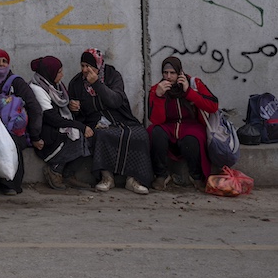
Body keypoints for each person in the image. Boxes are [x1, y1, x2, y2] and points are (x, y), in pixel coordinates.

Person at [68, 48, 152, 194]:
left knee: (139, 134)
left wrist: (97, 85)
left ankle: (133, 179)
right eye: (83, 66)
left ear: (98, 64)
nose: (86, 70)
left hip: (120, 117)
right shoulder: (76, 83)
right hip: (95, 120)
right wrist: (74, 107)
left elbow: (115, 101)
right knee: (101, 135)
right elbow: (79, 113)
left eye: (89, 66)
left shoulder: (112, 76)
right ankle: (107, 178)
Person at [147, 55, 219, 190]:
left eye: (172, 73)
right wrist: (158, 97)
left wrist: (189, 92)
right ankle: (161, 175)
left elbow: (213, 106)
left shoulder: (193, 83)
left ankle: (196, 176)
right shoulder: (157, 88)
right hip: (168, 126)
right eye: (165, 73)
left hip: (191, 126)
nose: (168, 76)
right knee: (154, 131)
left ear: (180, 72)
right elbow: (157, 120)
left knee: (192, 139)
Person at [28, 55, 93, 190]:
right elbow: (51, 118)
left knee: (89, 137)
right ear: (49, 73)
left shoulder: (55, 85)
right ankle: (55, 170)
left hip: (56, 127)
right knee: (79, 134)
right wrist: (80, 126)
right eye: (59, 72)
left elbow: (62, 107)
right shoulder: (38, 89)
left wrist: (72, 107)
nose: (62, 75)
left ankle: (68, 174)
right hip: (45, 133)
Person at [0, 48, 43, 196]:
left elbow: (34, 107)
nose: (1, 64)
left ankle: (10, 183)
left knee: (9, 143)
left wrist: (35, 135)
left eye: (4, 61)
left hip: (14, 130)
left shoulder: (16, 83)